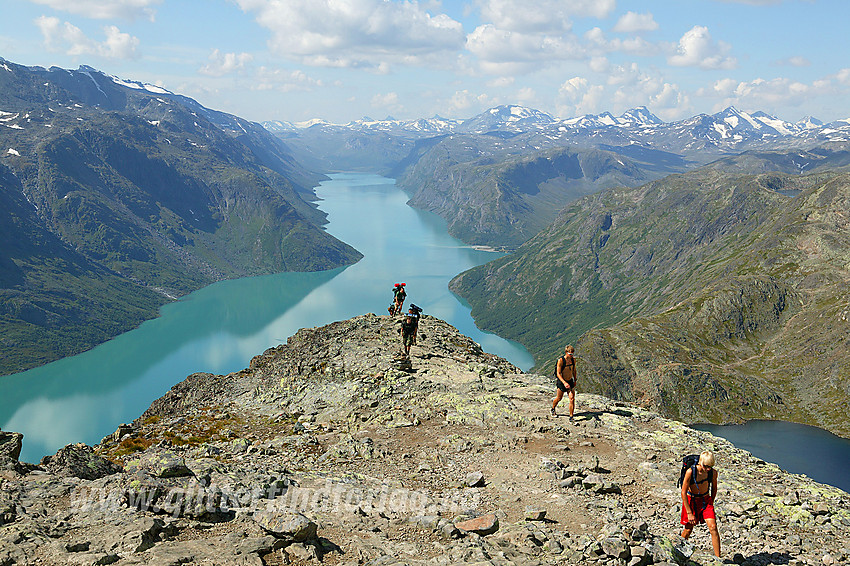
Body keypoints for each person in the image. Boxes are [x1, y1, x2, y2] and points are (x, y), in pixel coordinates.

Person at [680, 451, 721, 558]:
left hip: (705, 500)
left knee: (713, 527)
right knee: (688, 529)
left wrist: (711, 501)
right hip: (691, 501)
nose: (708, 469)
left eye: (710, 466)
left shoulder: (713, 472)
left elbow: (714, 487)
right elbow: (683, 492)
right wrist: (689, 513)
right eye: (706, 466)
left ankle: (718, 558)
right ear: (700, 462)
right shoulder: (690, 472)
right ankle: (677, 549)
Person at [551, 345, 577, 420]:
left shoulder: (573, 360)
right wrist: (564, 383)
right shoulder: (561, 361)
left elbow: (574, 370)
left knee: (572, 398)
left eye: (572, 354)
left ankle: (571, 417)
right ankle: (553, 408)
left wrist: (575, 380)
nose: (571, 355)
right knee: (559, 398)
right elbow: (558, 373)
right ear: (566, 352)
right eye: (570, 354)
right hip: (562, 382)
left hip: (570, 381)